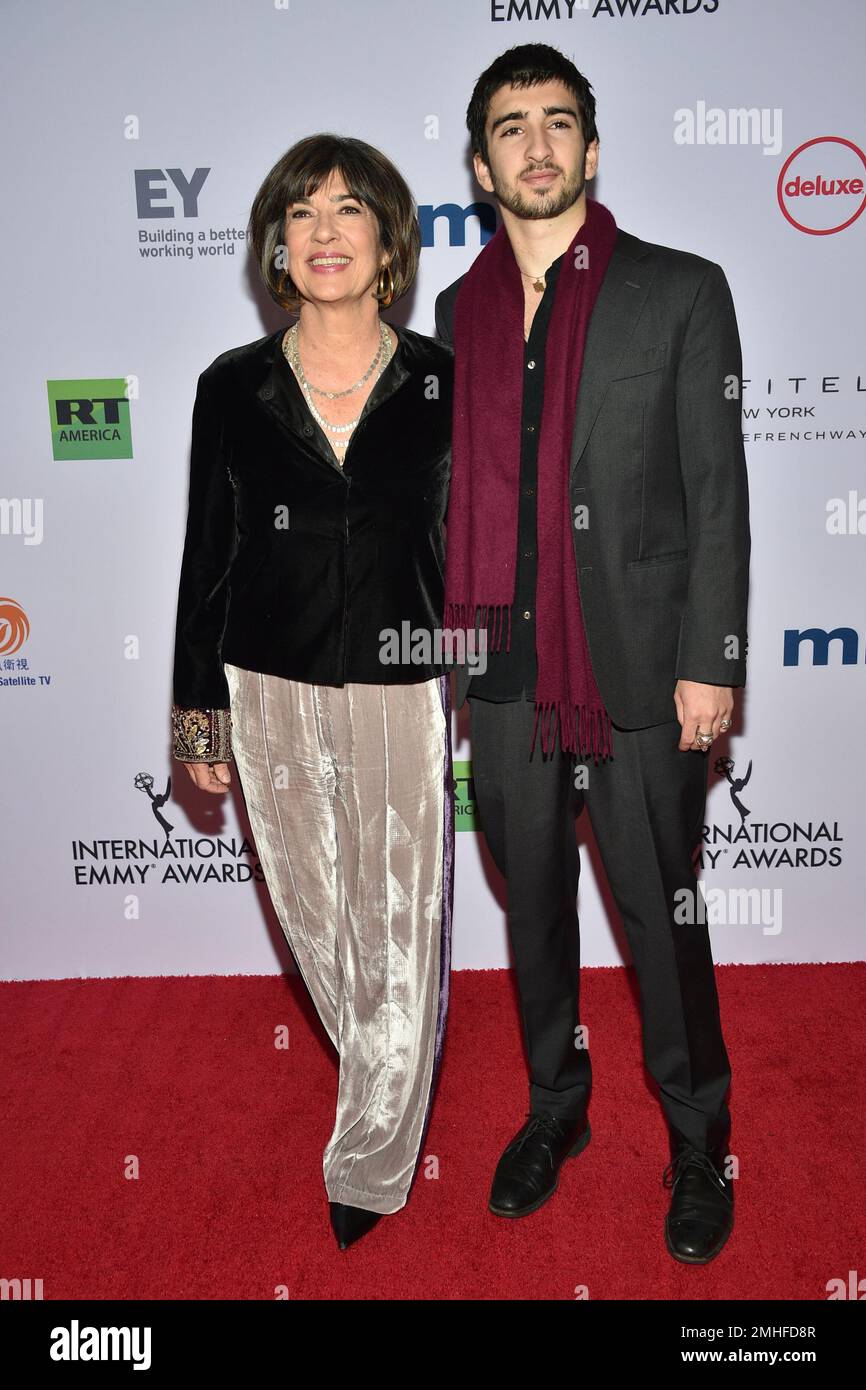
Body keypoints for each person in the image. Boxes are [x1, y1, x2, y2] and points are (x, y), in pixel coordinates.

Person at [435, 44, 749, 1264]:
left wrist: (710, 657)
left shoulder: (678, 290)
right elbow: (448, 500)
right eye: (509, 127)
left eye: (557, 122)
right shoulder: (453, 317)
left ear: (592, 148)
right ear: (479, 162)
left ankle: (696, 1139)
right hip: (503, 674)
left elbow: (715, 495)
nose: (535, 144)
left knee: (660, 917)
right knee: (531, 915)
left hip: (636, 672)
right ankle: (554, 1111)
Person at [171, 134, 455, 1251]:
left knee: (398, 918)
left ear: (388, 241)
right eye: (301, 212)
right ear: (275, 247)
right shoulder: (229, 387)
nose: (324, 230)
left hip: (401, 671)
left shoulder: (444, 379)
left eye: (349, 210)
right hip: (265, 675)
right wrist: (200, 713)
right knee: (314, 916)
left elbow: (477, 540)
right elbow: (207, 554)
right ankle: (394, 1056)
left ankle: (372, 1157)